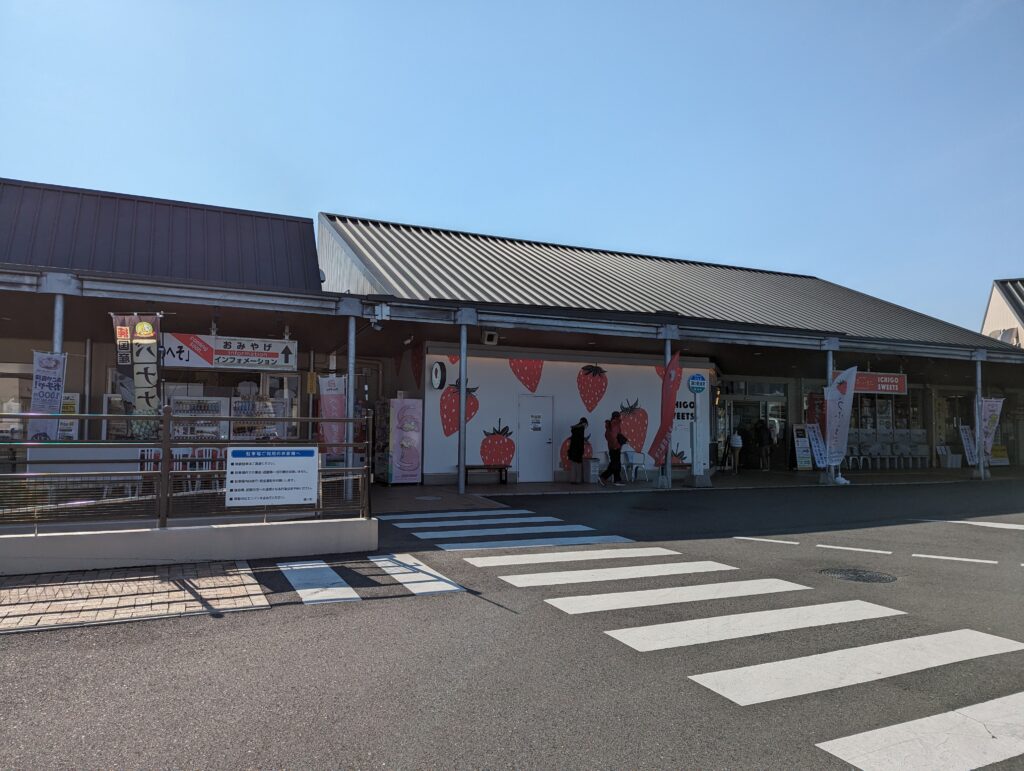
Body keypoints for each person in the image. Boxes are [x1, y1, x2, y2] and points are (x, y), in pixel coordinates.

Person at [599, 411, 626, 486]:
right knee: (615, 465)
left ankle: (617, 480)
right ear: (617, 417)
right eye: (619, 416)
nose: (620, 418)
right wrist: (617, 444)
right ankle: (604, 477)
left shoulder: (610, 425)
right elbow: (614, 436)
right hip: (615, 448)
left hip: (613, 447)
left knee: (615, 464)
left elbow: (610, 436)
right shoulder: (615, 424)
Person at [567, 417, 589, 484]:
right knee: (578, 465)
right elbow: (580, 439)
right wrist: (585, 440)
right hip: (578, 449)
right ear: (584, 423)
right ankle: (578, 480)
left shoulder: (575, 428)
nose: (586, 426)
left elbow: (575, 437)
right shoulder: (581, 429)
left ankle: (572, 480)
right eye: (586, 425)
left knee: (573, 465)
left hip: (572, 449)